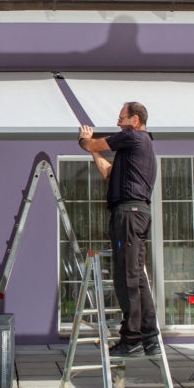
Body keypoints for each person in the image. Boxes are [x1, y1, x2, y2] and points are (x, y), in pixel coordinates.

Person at [78, 102, 159, 357]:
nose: (118, 122)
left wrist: (85, 141)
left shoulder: (134, 136)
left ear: (135, 120)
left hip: (129, 214)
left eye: (121, 118)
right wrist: (93, 153)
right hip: (135, 213)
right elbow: (108, 172)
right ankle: (149, 338)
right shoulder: (135, 151)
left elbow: (93, 144)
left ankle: (131, 337)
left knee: (127, 277)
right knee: (137, 277)